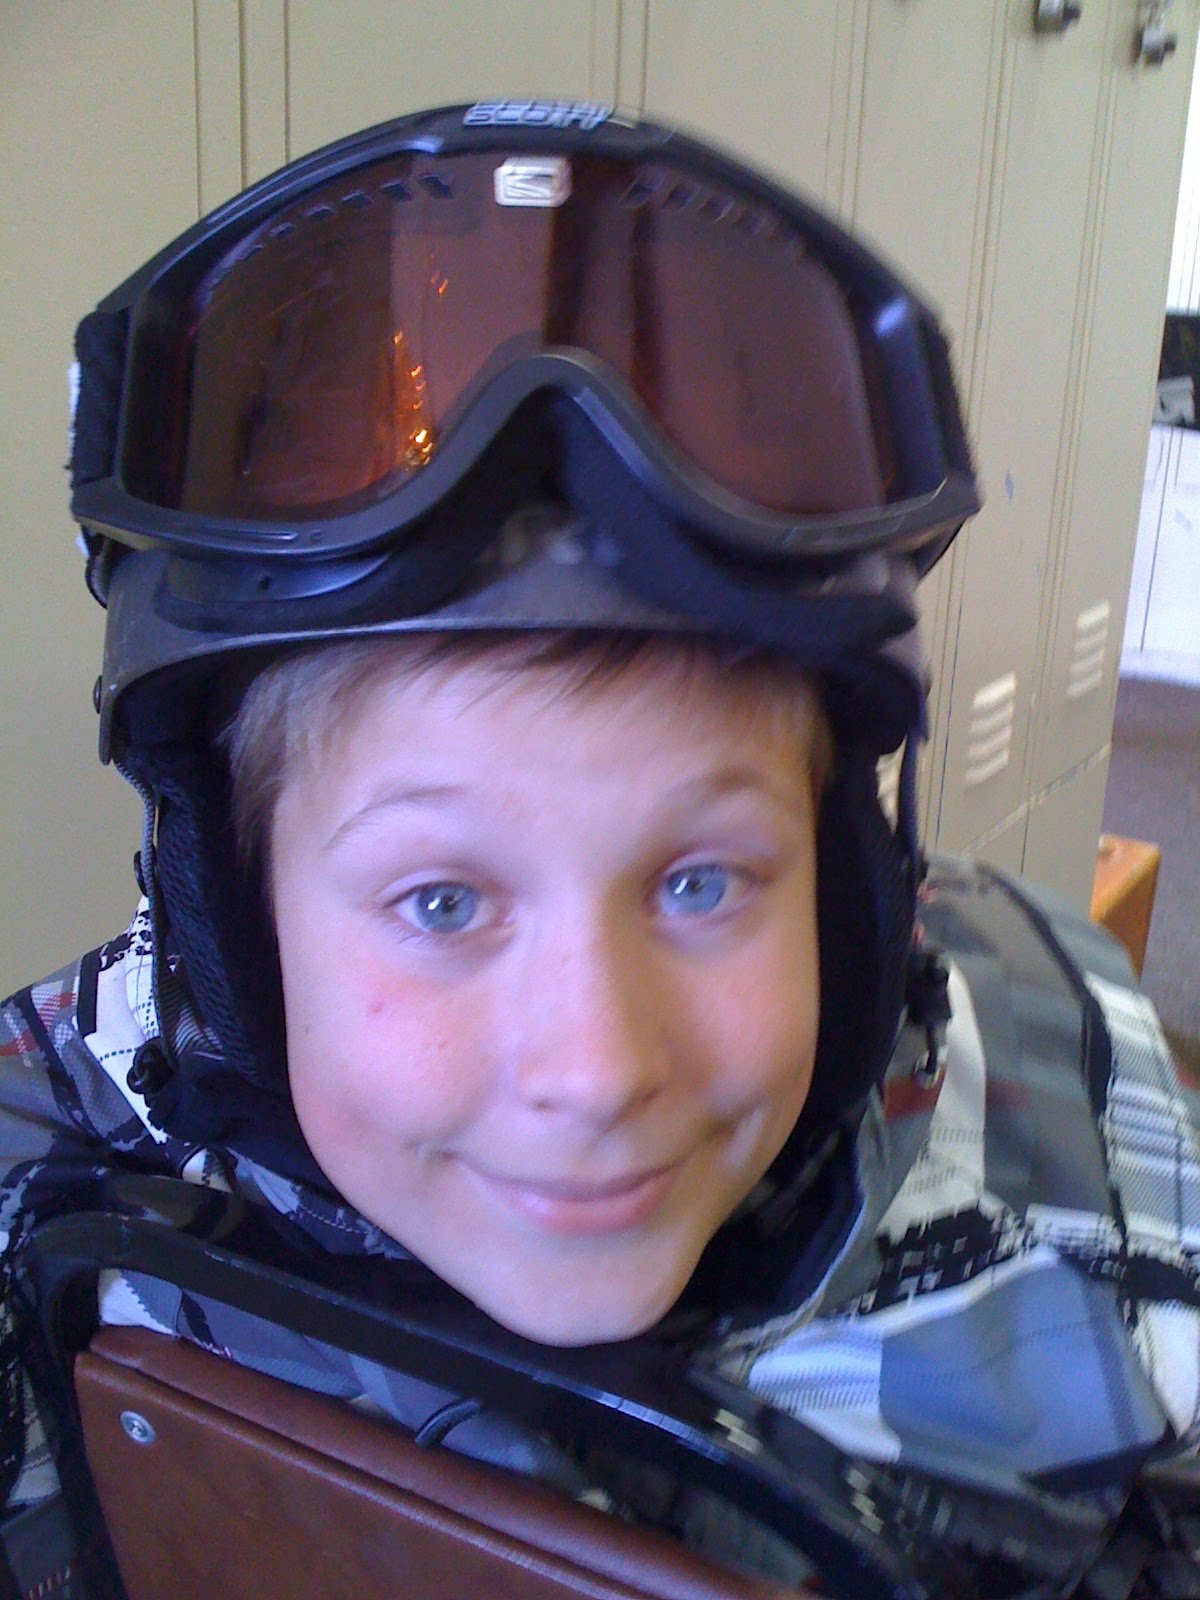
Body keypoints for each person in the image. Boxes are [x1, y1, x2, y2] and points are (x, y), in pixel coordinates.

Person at [2, 100, 1198, 1599]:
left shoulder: (1074, 1111)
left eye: (703, 882)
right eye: (443, 901)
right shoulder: (39, 1177)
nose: (598, 1068)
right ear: (233, 924)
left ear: (844, 875)